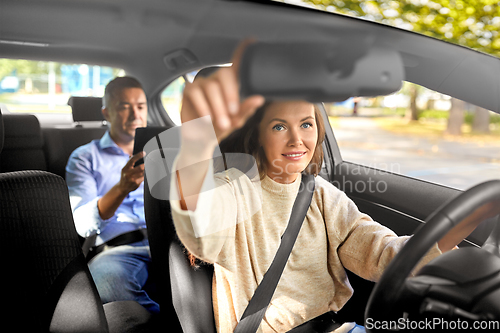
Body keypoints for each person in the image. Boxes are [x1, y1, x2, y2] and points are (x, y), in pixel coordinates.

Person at [168, 42, 480, 332]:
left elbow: (381, 252)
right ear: (257, 135)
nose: (297, 140)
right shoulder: (233, 189)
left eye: (306, 124)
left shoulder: (320, 194)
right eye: (279, 126)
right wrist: (195, 138)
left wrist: (469, 219)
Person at [66, 76, 159, 314]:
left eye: (140, 107)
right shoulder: (85, 157)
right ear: (106, 113)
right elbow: (82, 223)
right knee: (108, 282)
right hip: (117, 249)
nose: (134, 114)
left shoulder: (162, 151)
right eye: (124, 106)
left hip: (167, 241)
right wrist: (121, 188)